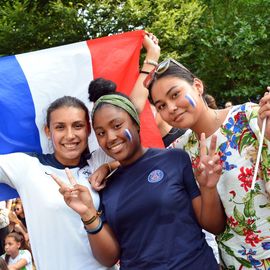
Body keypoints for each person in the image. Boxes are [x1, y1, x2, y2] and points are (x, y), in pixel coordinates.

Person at [52, 87, 226, 270]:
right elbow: (109, 258)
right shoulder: (106, 186)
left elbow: (215, 226)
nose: (110, 137)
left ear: (135, 123)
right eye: (101, 133)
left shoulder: (174, 159)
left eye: (117, 125)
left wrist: (208, 189)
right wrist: (88, 214)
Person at [143, 58, 270, 269]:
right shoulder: (178, 151)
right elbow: (215, 227)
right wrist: (207, 187)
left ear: (198, 86)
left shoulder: (249, 117)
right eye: (162, 105)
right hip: (238, 264)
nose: (171, 108)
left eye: (175, 94)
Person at [0, 96, 115, 270]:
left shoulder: (99, 160)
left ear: (89, 129)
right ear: (48, 131)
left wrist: (109, 166)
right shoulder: (27, 166)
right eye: (60, 127)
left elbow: (136, 147)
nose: (70, 135)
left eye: (78, 126)